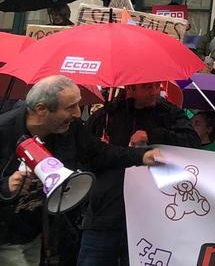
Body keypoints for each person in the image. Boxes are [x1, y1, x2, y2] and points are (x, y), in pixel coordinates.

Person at [0, 76, 162, 266]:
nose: (77, 113)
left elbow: (99, 153)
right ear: (41, 109)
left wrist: (140, 157)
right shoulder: (4, 131)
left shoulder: (69, 129)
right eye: (70, 107)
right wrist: (5, 185)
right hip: (6, 237)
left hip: (40, 233)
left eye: (78, 105)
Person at [81, 82, 200, 265]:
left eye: (156, 86)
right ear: (131, 89)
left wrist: (152, 135)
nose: (153, 92)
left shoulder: (171, 113)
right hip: (106, 213)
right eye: (146, 87)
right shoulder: (107, 116)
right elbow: (87, 154)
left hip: (152, 215)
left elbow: (192, 144)